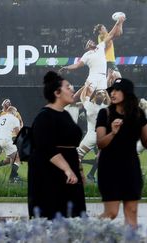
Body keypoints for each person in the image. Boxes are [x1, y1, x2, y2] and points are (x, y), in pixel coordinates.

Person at [96, 78, 147, 228]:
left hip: (130, 166)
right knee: (111, 213)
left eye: (117, 90)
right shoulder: (105, 113)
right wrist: (112, 133)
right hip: (109, 168)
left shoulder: (138, 114)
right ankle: (85, 232)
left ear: (126, 93)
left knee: (132, 211)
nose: (112, 93)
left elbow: (146, 141)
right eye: (111, 90)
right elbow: (100, 143)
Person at [28, 71, 86, 220]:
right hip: (50, 176)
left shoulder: (65, 114)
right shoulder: (44, 116)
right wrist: (68, 170)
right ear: (57, 93)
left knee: (74, 218)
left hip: (70, 174)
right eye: (68, 87)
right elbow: (46, 148)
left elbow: (71, 145)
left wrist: (78, 169)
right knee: (52, 218)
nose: (72, 90)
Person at [59, 16, 125, 95]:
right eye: (103, 28)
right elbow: (77, 65)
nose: (105, 28)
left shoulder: (100, 46)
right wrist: (118, 22)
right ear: (100, 31)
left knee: (112, 83)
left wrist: (121, 22)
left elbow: (117, 34)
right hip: (106, 64)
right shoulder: (101, 38)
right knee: (116, 81)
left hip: (104, 70)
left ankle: (108, 98)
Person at [77, 87, 110, 183]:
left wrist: (86, 86)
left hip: (91, 136)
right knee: (102, 157)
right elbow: (109, 101)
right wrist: (106, 92)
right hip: (102, 136)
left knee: (77, 156)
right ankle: (98, 177)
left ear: (95, 96)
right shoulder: (106, 107)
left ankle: (80, 177)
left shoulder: (89, 105)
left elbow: (83, 96)